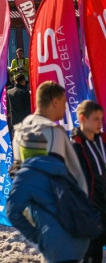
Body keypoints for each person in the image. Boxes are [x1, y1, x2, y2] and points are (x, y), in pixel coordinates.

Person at [12, 81, 87, 192]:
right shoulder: (54, 132)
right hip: (55, 204)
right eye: (64, 103)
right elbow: (75, 174)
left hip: (28, 203)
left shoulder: (19, 130)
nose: (65, 108)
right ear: (55, 102)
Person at [71, 100, 106, 263]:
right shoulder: (75, 146)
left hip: (104, 207)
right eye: (96, 119)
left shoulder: (102, 141)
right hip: (89, 211)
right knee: (92, 254)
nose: (100, 123)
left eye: (101, 118)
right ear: (83, 119)